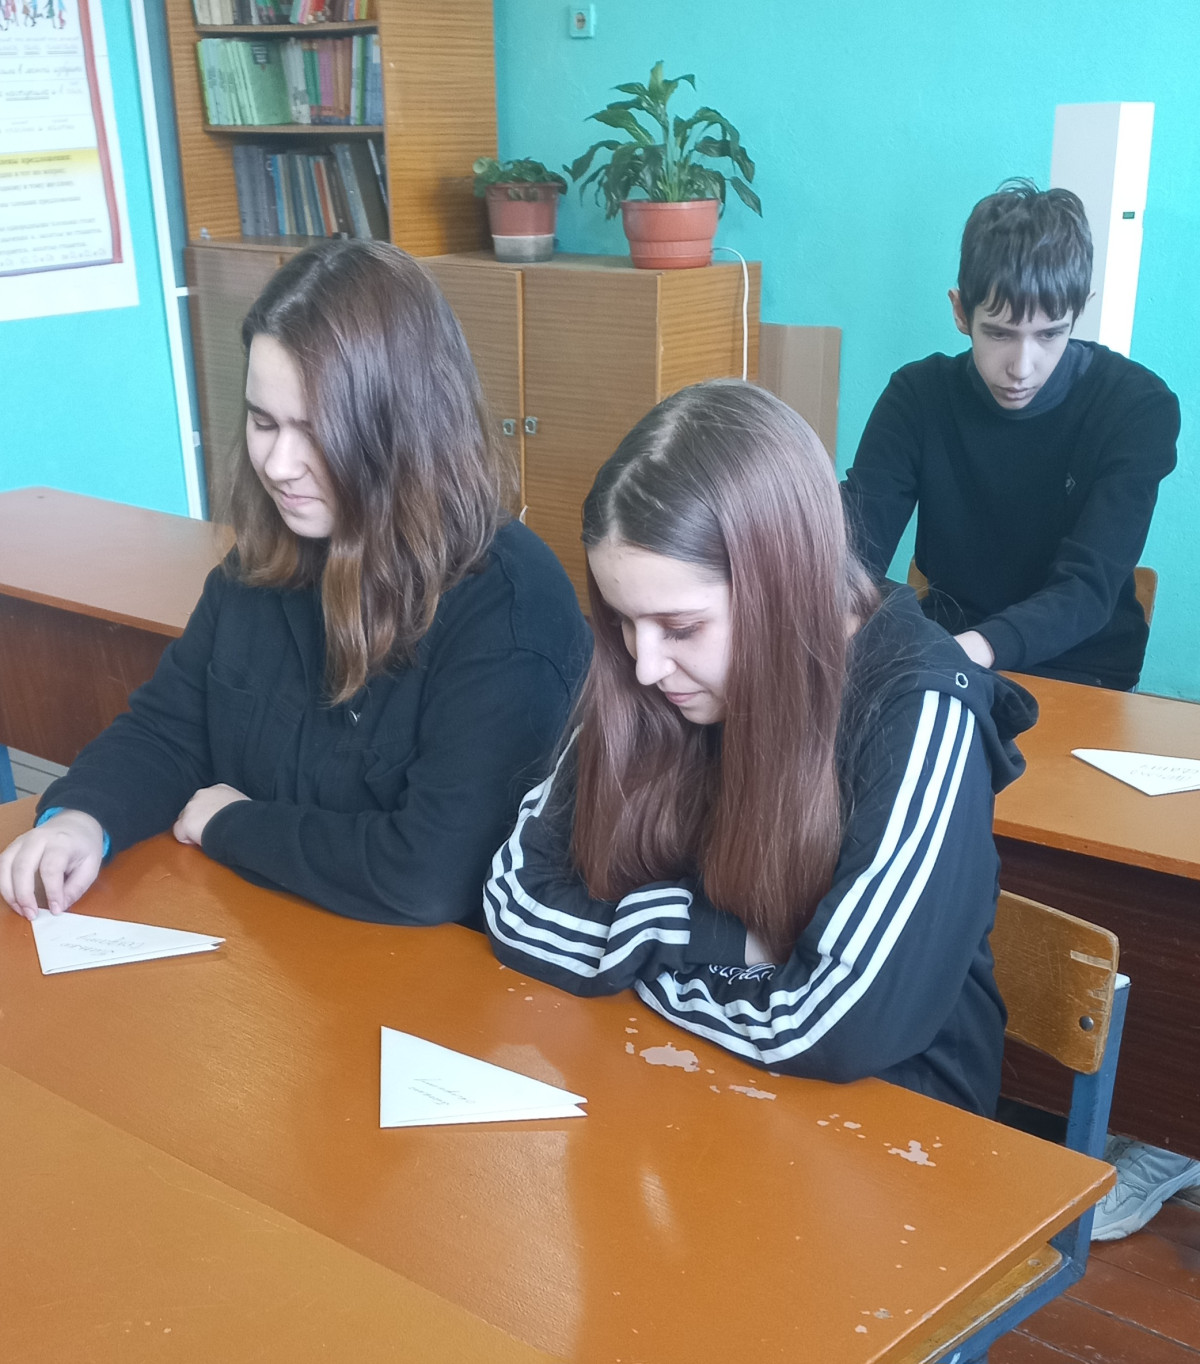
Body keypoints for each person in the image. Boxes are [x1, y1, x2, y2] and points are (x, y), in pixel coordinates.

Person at [484, 380, 1037, 1117]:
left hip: (891, 1131)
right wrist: (702, 934)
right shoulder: (649, 673)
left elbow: (837, 1025)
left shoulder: (921, 707)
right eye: (620, 619)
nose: (645, 666)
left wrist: (622, 967)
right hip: (680, 1088)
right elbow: (516, 903)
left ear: (783, 585)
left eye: (681, 628)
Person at [0, 240, 590, 927]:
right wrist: (82, 816)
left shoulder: (510, 612)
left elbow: (430, 875)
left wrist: (231, 824)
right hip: (273, 934)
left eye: (314, 431)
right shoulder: (265, 561)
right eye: (263, 422)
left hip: (421, 971)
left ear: (406, 426)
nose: (279, 464)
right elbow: (169, 729)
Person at [841, 178, 1179, 691]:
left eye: (1049, 334)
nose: (1022, 367)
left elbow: (1087, 587)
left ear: (1079, 309)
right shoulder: (917, 396)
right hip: (946, 651)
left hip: (1081, 671)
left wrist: (953, 653)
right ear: (960, 311)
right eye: (999, 333)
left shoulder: (1136, 406)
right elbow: (854, 555)